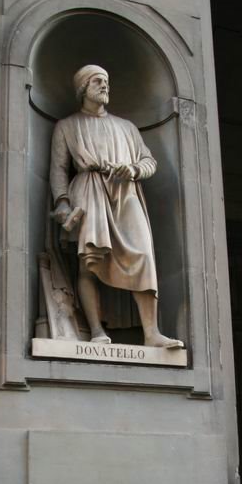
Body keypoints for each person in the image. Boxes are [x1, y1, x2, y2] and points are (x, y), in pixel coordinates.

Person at [49, 64, 183, 348]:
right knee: (90, 261)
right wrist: (62, 201)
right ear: (83, 88)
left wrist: (132, 170)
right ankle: (97, 331)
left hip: (127, 193)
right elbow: (59, 169)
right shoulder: (67, 126)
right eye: (97, 81)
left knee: (143, 255)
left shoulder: (127, 127)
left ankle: (151, 333)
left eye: (107, 81)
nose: (105, 85)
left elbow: (149, 162)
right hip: (89, 191)